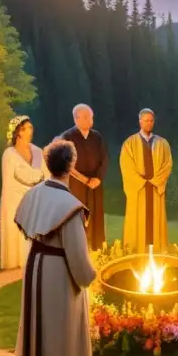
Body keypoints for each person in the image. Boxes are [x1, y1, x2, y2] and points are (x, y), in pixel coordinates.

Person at [15, 139, 97, 356]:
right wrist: (90, 275)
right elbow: (76, 252)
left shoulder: (34, 193)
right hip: (57, 268)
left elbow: (25, 223)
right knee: (58, 319)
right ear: (71, 166)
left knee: (41, 317)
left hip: (35, 262)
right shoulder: (70, 206)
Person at [121, 108, 174, 253]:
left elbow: (167, 164)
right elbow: (126, 166)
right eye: (146, 120)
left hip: (155, 188)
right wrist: (141, 181)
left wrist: (156, 181)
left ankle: (157, 249)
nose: (149, 123)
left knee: (156, 221)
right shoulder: (129, 143)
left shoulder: (162, 144)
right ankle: (135, 249)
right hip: (139, 189)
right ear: (140, 121)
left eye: (151, 120)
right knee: (137, 220)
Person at [0, 115, 48, 270]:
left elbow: (45, 173)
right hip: (16, 199)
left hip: (34, 199)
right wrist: (38, 175)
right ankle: (17, 264)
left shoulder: (37, 151)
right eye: (28, 128)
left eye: (31, 127)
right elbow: (21, 176)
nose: (31, 130)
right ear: (19, 132)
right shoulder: (9, 154)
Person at [60, 104, 108, 249]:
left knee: (96, 215)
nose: (90, 120)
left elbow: (104, 159)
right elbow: (67, 164)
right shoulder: (67, 137)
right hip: (77, 185)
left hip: (95, 184)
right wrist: (85, 180)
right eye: (86, 117)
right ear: (76, 119)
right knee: (79, 215)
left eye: (91, 117)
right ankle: (78, 249)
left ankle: (97, 248)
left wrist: (98, 178)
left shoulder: (96, 136)